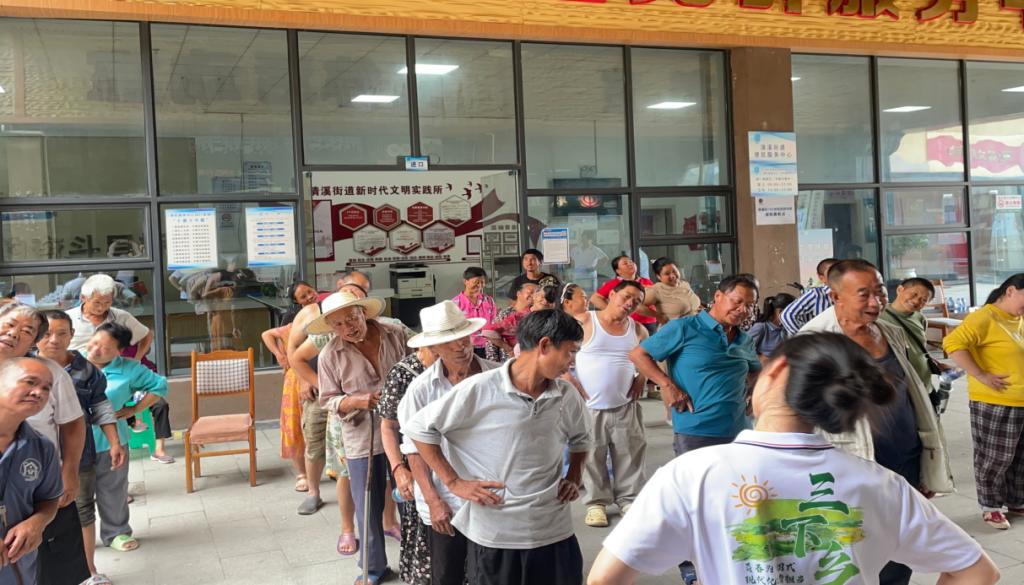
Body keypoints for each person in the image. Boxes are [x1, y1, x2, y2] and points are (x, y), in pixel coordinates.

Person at [587, 333, 1001, 585]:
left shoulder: (692, 474)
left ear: (777, 369)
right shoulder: (883, 485)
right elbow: (977, 571)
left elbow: (606, 578)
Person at [404, 310, 591, 585]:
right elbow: (418, 430)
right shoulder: (479, 389)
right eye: (570, 352)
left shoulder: (566, 394)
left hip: (553, 530)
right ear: (544, 345)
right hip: (496, 535)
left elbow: (581, 438)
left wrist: (574, 475)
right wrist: (453, 482)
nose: (572, 362)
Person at [800, 259, 953, 585]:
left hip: (904, 458)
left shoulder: (891, 331)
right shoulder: (813, 342)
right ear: (835, 296)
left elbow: (913, 392)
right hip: (849, 465)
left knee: (899, 546)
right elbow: (799, 415)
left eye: (880, 291)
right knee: (853, 553)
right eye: (864, 294)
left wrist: (925, 462)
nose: (876, 301)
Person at [628, 273, 760, 585]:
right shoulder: (685, 328)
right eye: (737, 301)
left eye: (749, 305)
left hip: (740, 433)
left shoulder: (743, 338)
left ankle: (727, 564)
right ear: (718, 297)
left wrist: (754, 393)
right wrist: (666, 384)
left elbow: (756, 370)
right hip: (696, 430)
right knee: (693, 504)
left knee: (733, 502)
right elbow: (639, 354)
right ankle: (691, 568)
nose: (742, 310)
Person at [308, 290, 410, 584]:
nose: (348, 327)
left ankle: (416, 560)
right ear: (331, 327)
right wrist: (355, 401)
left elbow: (417, 368)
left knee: (411, 498)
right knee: (367, 506)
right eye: (338, 324)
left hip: (405, 430)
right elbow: (328, 400)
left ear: (362, 312)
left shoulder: (394, 334)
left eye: (351, 318)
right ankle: (373, 568)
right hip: (362, 436)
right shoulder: (330, 355)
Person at [398, 301, 500, 585]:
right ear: (433, 348)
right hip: (447, 499)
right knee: (447, 575)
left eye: (464, 338)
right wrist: (434, 501)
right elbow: (414, 451)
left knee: (490, 574)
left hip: (491, 496)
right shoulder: (421, 390)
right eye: (449, 341)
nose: (460, 347)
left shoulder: (497, 377)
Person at [0, 304, 88, 585]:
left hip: (38, 480)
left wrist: (69, 472)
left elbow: (72, 423)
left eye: (27, 331)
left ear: (33, 341)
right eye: (9, 324)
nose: (14, 334)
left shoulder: (47, 372)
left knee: (55, 567)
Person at [36, 311, 123, 585]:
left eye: (62, 333)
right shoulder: (24, 366)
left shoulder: (85, 369)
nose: (54, 340)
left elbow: (100, 405)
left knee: (81, 509)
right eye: (47, 333)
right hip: (34, 458)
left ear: (72, 335)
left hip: (77, 455)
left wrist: (114, 442)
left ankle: (88, 571)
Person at [286, 271, 370, 519]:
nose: (356, 293)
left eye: (362, 290)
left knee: (347, 448)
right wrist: (309, 381)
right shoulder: (313, 312)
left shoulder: (360, 318)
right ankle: (313, 492)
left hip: (350, 396)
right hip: (316, 390)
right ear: (340, 285)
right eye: (352, 288)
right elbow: (293, 352)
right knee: (314, 442)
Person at [944, 273, 1024, 530]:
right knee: (995, 456)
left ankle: (1016, 500)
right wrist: (980, 374)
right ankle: (991, 507)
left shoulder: (1018, 318)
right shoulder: (985, 317)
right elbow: (952, 343)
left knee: (1019, 457)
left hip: (1021, 400)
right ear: (1011, 291)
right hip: (995, 401)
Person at [65, 275, 173, 465]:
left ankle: (154, 445)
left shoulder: (121, 317)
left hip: (116, 382)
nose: (102, 307)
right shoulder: (69, 320)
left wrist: (135, 361)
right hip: (75, 382)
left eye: (107, 302)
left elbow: (146, 336)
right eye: (97, 302)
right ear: (83, 298)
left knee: (158, 405)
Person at [83, 323, 168, 555]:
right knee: (76, 494)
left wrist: (133, 410)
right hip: (73, 442)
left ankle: (116, 532)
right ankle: (78, 539)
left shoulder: (129, 369)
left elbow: (160, 386)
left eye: (105, 347)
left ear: (119, 351)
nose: (95, 350)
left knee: (112, 490)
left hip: (111, 442)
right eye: (95, 342)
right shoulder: (74, 361)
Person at [575, 281, 649, 529]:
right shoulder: (585, 321)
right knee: (591, 454)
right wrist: (569, 381)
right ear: (613, 294)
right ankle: (596, 503)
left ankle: (629, 499)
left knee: (630, 452)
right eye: (626, 297)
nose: (630, 304)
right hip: (589, 406)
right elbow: (559, 351)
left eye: (636, 302)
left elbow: (648, 358)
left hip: (625, 404)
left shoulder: (637, 329)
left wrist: (641, 378)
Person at [0, 358, 64, 585]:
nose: (39, 393)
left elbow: (48, 499)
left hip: (19, 570)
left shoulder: (42, 447)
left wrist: (37, 522)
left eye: (46, 388)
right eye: (30, 382)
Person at [377, 345, 437, 585]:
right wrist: (398, 469)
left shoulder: (468, 366)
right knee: (425, 533)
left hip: (460, 466)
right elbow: (388, 426)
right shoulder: (403, 373)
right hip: (417, 464)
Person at [880, 278, 945, 402]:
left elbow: (918, 349)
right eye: (914, 294)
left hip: (925, 385)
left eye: (923, 300)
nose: (916, 301)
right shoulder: (879, 317)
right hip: (900, 389)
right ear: (900, 289)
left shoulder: (920, 318)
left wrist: (934, 363)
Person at [260, 321, 307, 492]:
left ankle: (333, 469)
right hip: (294, 380)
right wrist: (279, 355)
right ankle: (302, 474)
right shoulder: (293, 327)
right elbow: (266, 334)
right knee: (293, 426)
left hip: (320, 375)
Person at [590, 256, 657, 335]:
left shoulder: (647, 281)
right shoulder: (614, 283)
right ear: (618, 271)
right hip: (629, 323)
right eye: (625, 263)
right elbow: (595, 298)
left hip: (650, 322)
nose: (630, 264)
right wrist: (613, 311)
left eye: (631, 262)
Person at [779, 257, 839, 335]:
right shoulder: (816, 295)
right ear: (822, 278)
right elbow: (787, 315)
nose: (838, 275)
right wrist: (806, 337)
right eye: (832, 272)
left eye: (841, 271)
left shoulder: (847, 293)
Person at [481, 282, 537, 360]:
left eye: (536, 294)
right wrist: (493, 361)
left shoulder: (535, 314)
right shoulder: (505, 314)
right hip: (507, 360)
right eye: (530, 292)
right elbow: (490, 341)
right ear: (518, 294)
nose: (533, 296)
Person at [452, 267, 497, 359]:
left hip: (488, 347)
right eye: (476, 282)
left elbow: (495, 323)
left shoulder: (489, 301)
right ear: (465, 281)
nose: (479, 285)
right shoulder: (455, 304)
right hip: (466, 348)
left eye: (482, 282)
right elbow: (453, 330)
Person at [644, 258, 702, 325]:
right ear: (658, 277)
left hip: (695, 327)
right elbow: (638, 306)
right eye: (667, 274)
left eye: (674, 271)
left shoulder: (684, 284)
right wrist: (659, 316)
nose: (672, 275)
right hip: (676, 330)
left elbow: (692, 304)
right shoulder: (656, 290)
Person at [747, 292, 796, 361]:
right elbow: (742, 350)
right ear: (780, 312)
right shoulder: (761, 328)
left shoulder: (787, 329)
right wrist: (762, 358)